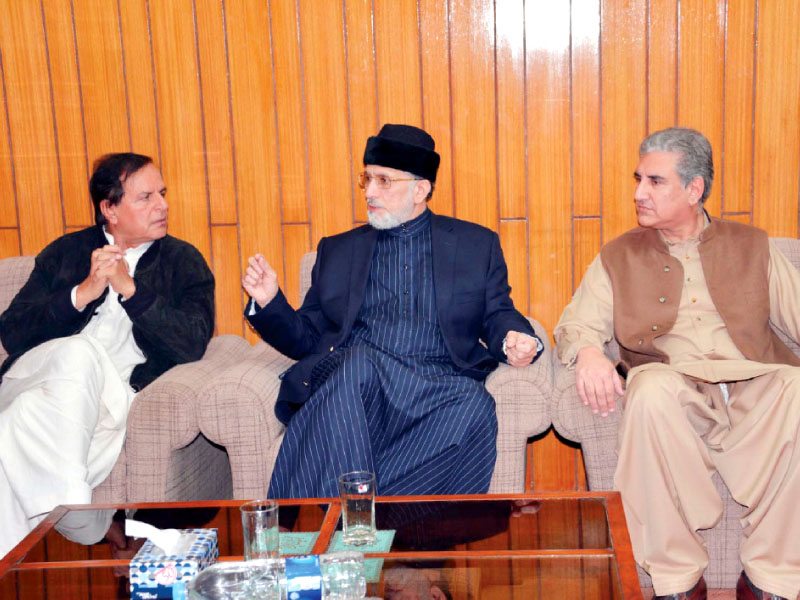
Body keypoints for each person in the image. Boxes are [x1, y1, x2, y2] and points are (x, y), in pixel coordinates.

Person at [554, 127, 800, 600]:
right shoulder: (619, 255)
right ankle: (677, 582)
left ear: (694, 189)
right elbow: (576, 324)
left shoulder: (754, 245)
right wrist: (587, 353)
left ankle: (772, 581)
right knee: (648, 391)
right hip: (674, 384)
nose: (638, 193)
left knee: (796, 390)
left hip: (755, 381)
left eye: (655, 181)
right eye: (639, 179)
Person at [243, 123, 542, 499]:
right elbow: (307, 338)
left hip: (436, 387)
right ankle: (340, 525)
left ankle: (378, 520)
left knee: (475, 407)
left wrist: (516, 337)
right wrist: (271, 302)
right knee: (357, 364)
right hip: (357, 389)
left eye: (384, 181)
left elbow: (499, 312)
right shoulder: (338, 251)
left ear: (421, 189)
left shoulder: (474, 245)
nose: (369, 192)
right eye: (367, 179)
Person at [0, 153, 215, 558]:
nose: (163, 205)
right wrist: (81, 294)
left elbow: (192, 343)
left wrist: (132, 290)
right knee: (79, 351)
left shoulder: (183, 262)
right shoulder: (65, 252)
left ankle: (15, 564)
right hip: (36, 375)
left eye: (163, 194)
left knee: (15, 425)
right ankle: (77, 511)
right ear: (109, 208)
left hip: (108, 399)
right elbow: (12, 331)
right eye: (146, 197)